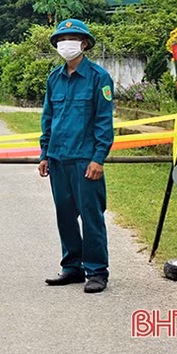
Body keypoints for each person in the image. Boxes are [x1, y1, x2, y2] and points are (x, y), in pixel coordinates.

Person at [38, 19, 114, 294]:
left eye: (71, 38)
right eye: (61, 39)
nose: (65, 44)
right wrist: (44, 153)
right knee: (65, 215)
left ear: (84, 44)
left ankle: (96, 271)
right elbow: (48, 118)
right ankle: (72, 267)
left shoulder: (98, 78)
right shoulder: (54, 78)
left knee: (92, 217)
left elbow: (104, 121)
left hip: (85, 159)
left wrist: (98, 158)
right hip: (58, 158)